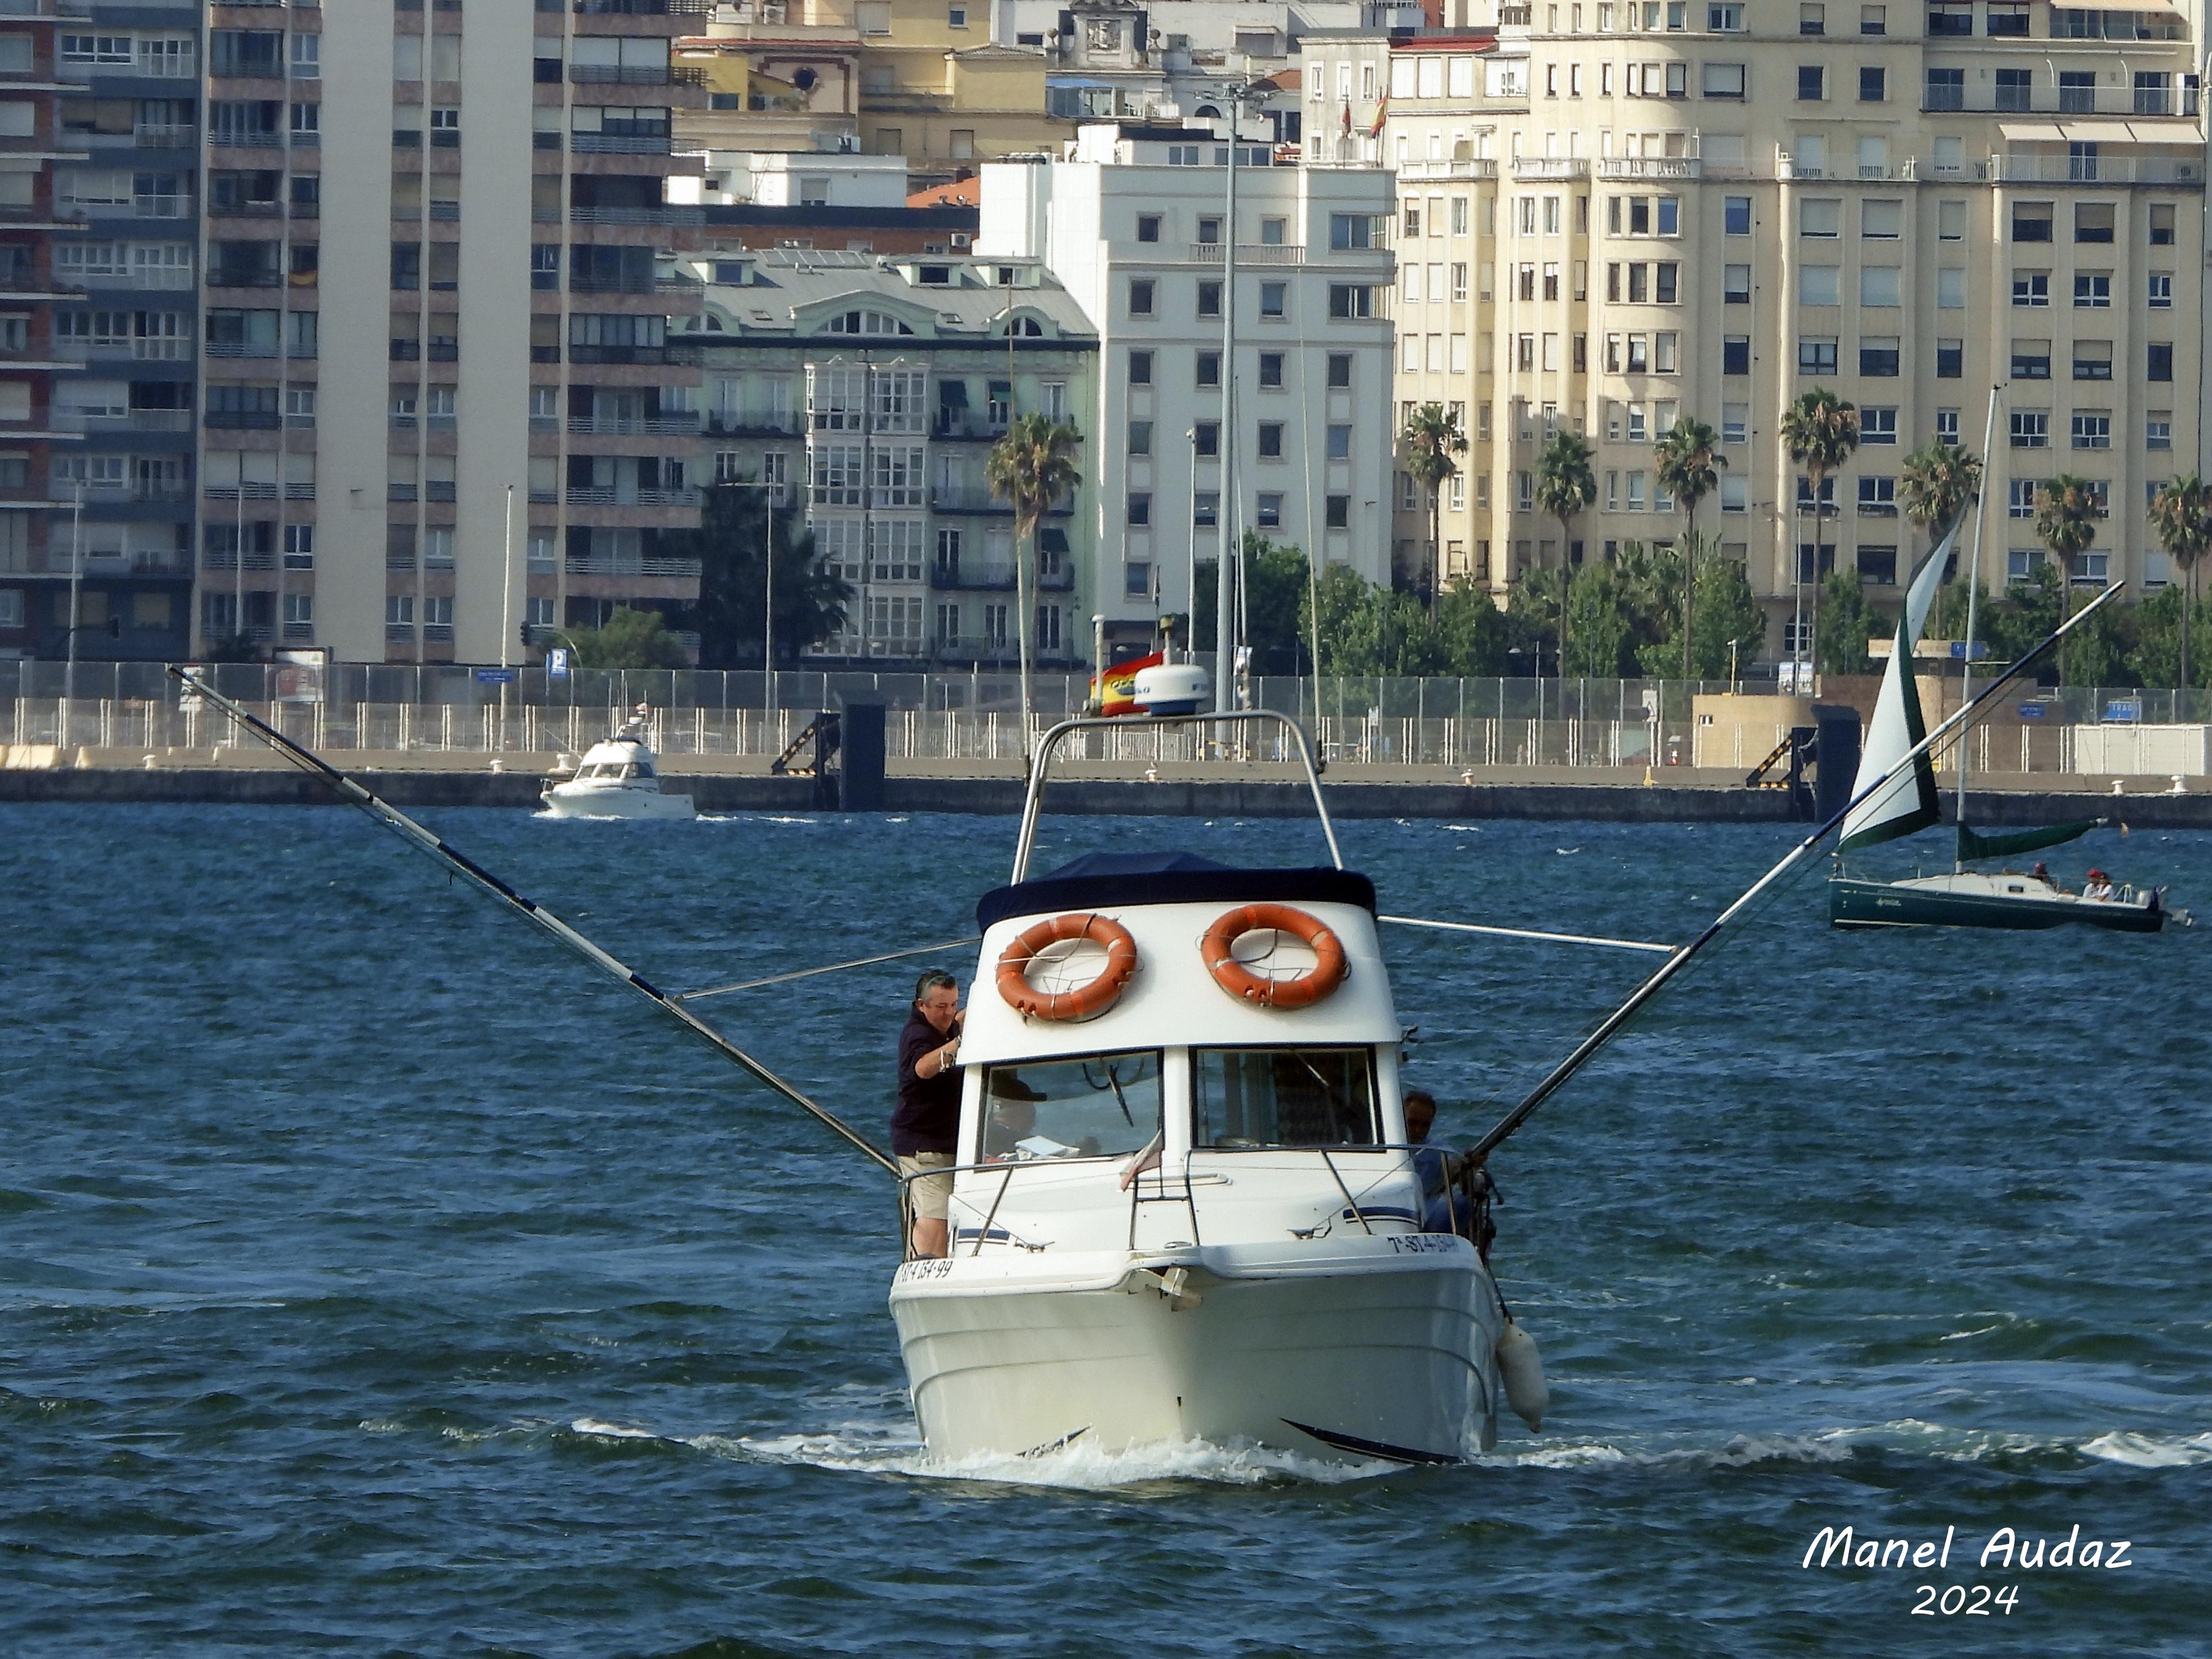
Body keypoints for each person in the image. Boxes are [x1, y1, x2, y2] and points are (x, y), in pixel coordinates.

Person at [894, 970, 963, 1258]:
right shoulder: (918, 1035)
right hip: (924, 1144)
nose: (949, 1013)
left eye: (953, 1004)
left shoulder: (945, 1026)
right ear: (921, 1006)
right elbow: (922, 1068)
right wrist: (960, 1044)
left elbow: (958, 1021)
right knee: (935, 1216)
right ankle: (926, 1265)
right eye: (941, 1007)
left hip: (948, 1140)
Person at [1404, 1089, 1495, 1256]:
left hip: (1425, 1226)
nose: (1418, 1130)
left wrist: (1471, 1165)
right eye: (1412, 1123)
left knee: (1462, 1203)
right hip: (1387, 1218)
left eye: (1425, 1125)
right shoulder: (1376, 1147)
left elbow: (1467, 1185)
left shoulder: (1439, 1151)